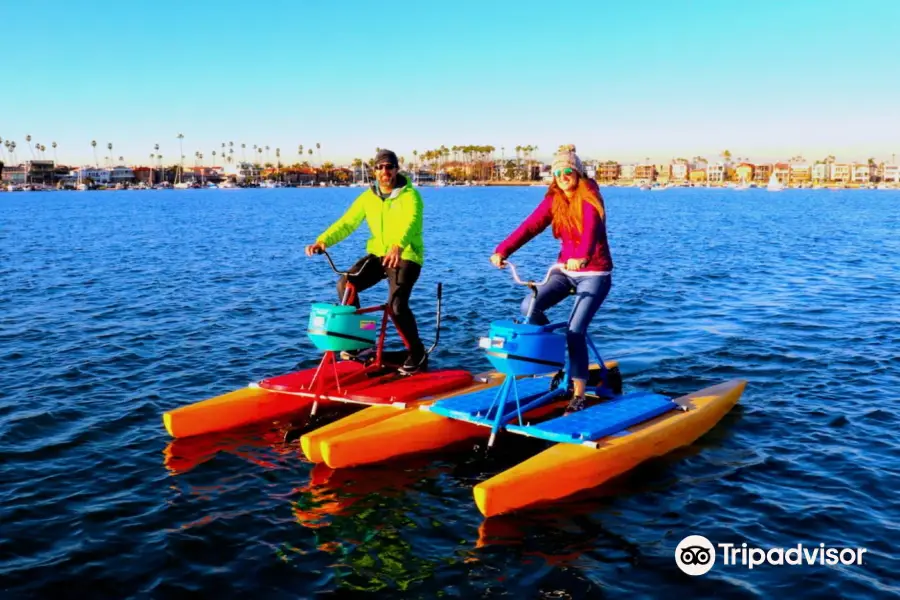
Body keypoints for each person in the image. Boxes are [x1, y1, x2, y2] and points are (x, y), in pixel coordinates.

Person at [490, 145, 613, 413]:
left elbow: (591, 231)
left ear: (578, 172)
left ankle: (578, 394)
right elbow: (530, 226)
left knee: (575, 330)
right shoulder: (554, 199)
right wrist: (503, 250)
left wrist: (582, 256)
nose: (562, 175)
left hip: (594, 273)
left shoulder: (590, 197)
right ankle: (559, 354)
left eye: (567, 170)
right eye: (556, 171)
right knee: (529, 306)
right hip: (565, 271)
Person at [305, 149, 428, 374]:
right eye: (380, 167)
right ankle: (358, 342)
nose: (385, 172)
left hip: (406, 256)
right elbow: (347, 223)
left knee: (396, 306)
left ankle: (417, 353)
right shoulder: (368, 197)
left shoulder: (411, 196)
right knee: (346, 285)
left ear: (396, 169)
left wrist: (398, 246)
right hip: (378, 255)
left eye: (389, 167)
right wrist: (323, 241)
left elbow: (411, 223)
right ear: (374, 171)